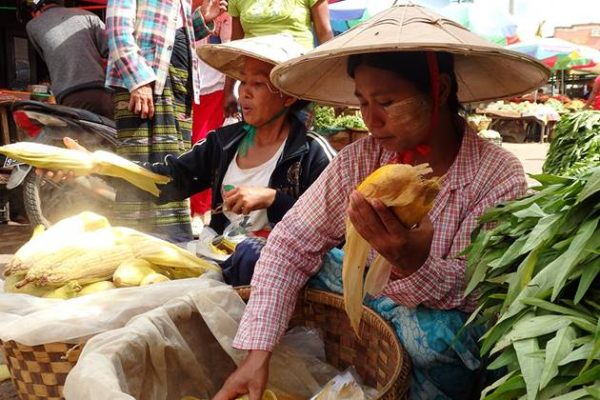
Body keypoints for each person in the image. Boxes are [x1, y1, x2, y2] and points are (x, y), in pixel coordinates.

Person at [214, 4, 549, 400]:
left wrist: (414, 262)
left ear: (439, 90)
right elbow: (291, 243)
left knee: (441, 339)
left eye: (387, 102)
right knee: (261, 254)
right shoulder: (362, 159)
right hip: (369, 319)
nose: (370, 120)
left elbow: (479, 293)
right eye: (363, 102)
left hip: (439, 344)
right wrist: (257, 354)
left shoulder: (497, 175)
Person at [45, 34, 335, 285]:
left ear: (287, 97)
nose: (244, 92)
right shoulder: (223, 142)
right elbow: (166, 179)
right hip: (220, 261)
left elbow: (331, 230)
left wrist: (273, 199)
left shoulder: (312, 154)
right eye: (243, 82)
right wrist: (94, 166)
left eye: (257, 84)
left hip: (277, 276)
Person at [105, 0, 226, 242]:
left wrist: (200, 21)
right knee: (140, 163)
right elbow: (117, 28)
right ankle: (133, 241)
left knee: (173, 162)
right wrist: (138, 81)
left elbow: (172, 33)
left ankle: (171, 239)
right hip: (144, 82)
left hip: (177, 82)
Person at [222, 0, 334, 117]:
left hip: (295, 77)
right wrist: (228, 90)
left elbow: (325, 34)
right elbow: (235, 43)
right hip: (255, 80)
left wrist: (332, 81)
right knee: (257, 131)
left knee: (296, 128)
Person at [23, 0, 113, 118]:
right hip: (103, 91)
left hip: (69, 94)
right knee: (112, 133)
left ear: (36, 11)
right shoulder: (88, 16)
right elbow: (113, 49)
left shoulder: (32, 26)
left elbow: (47, 57)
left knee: (80, 136)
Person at [190, 12, 233, 224]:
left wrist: (229, 90)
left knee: (208, 146)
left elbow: (231, 48)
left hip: (216, 87)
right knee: (190, 146)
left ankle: (204, 210)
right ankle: (193, 209)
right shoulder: (187, 8)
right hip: (189, 83)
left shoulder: (227, 13)